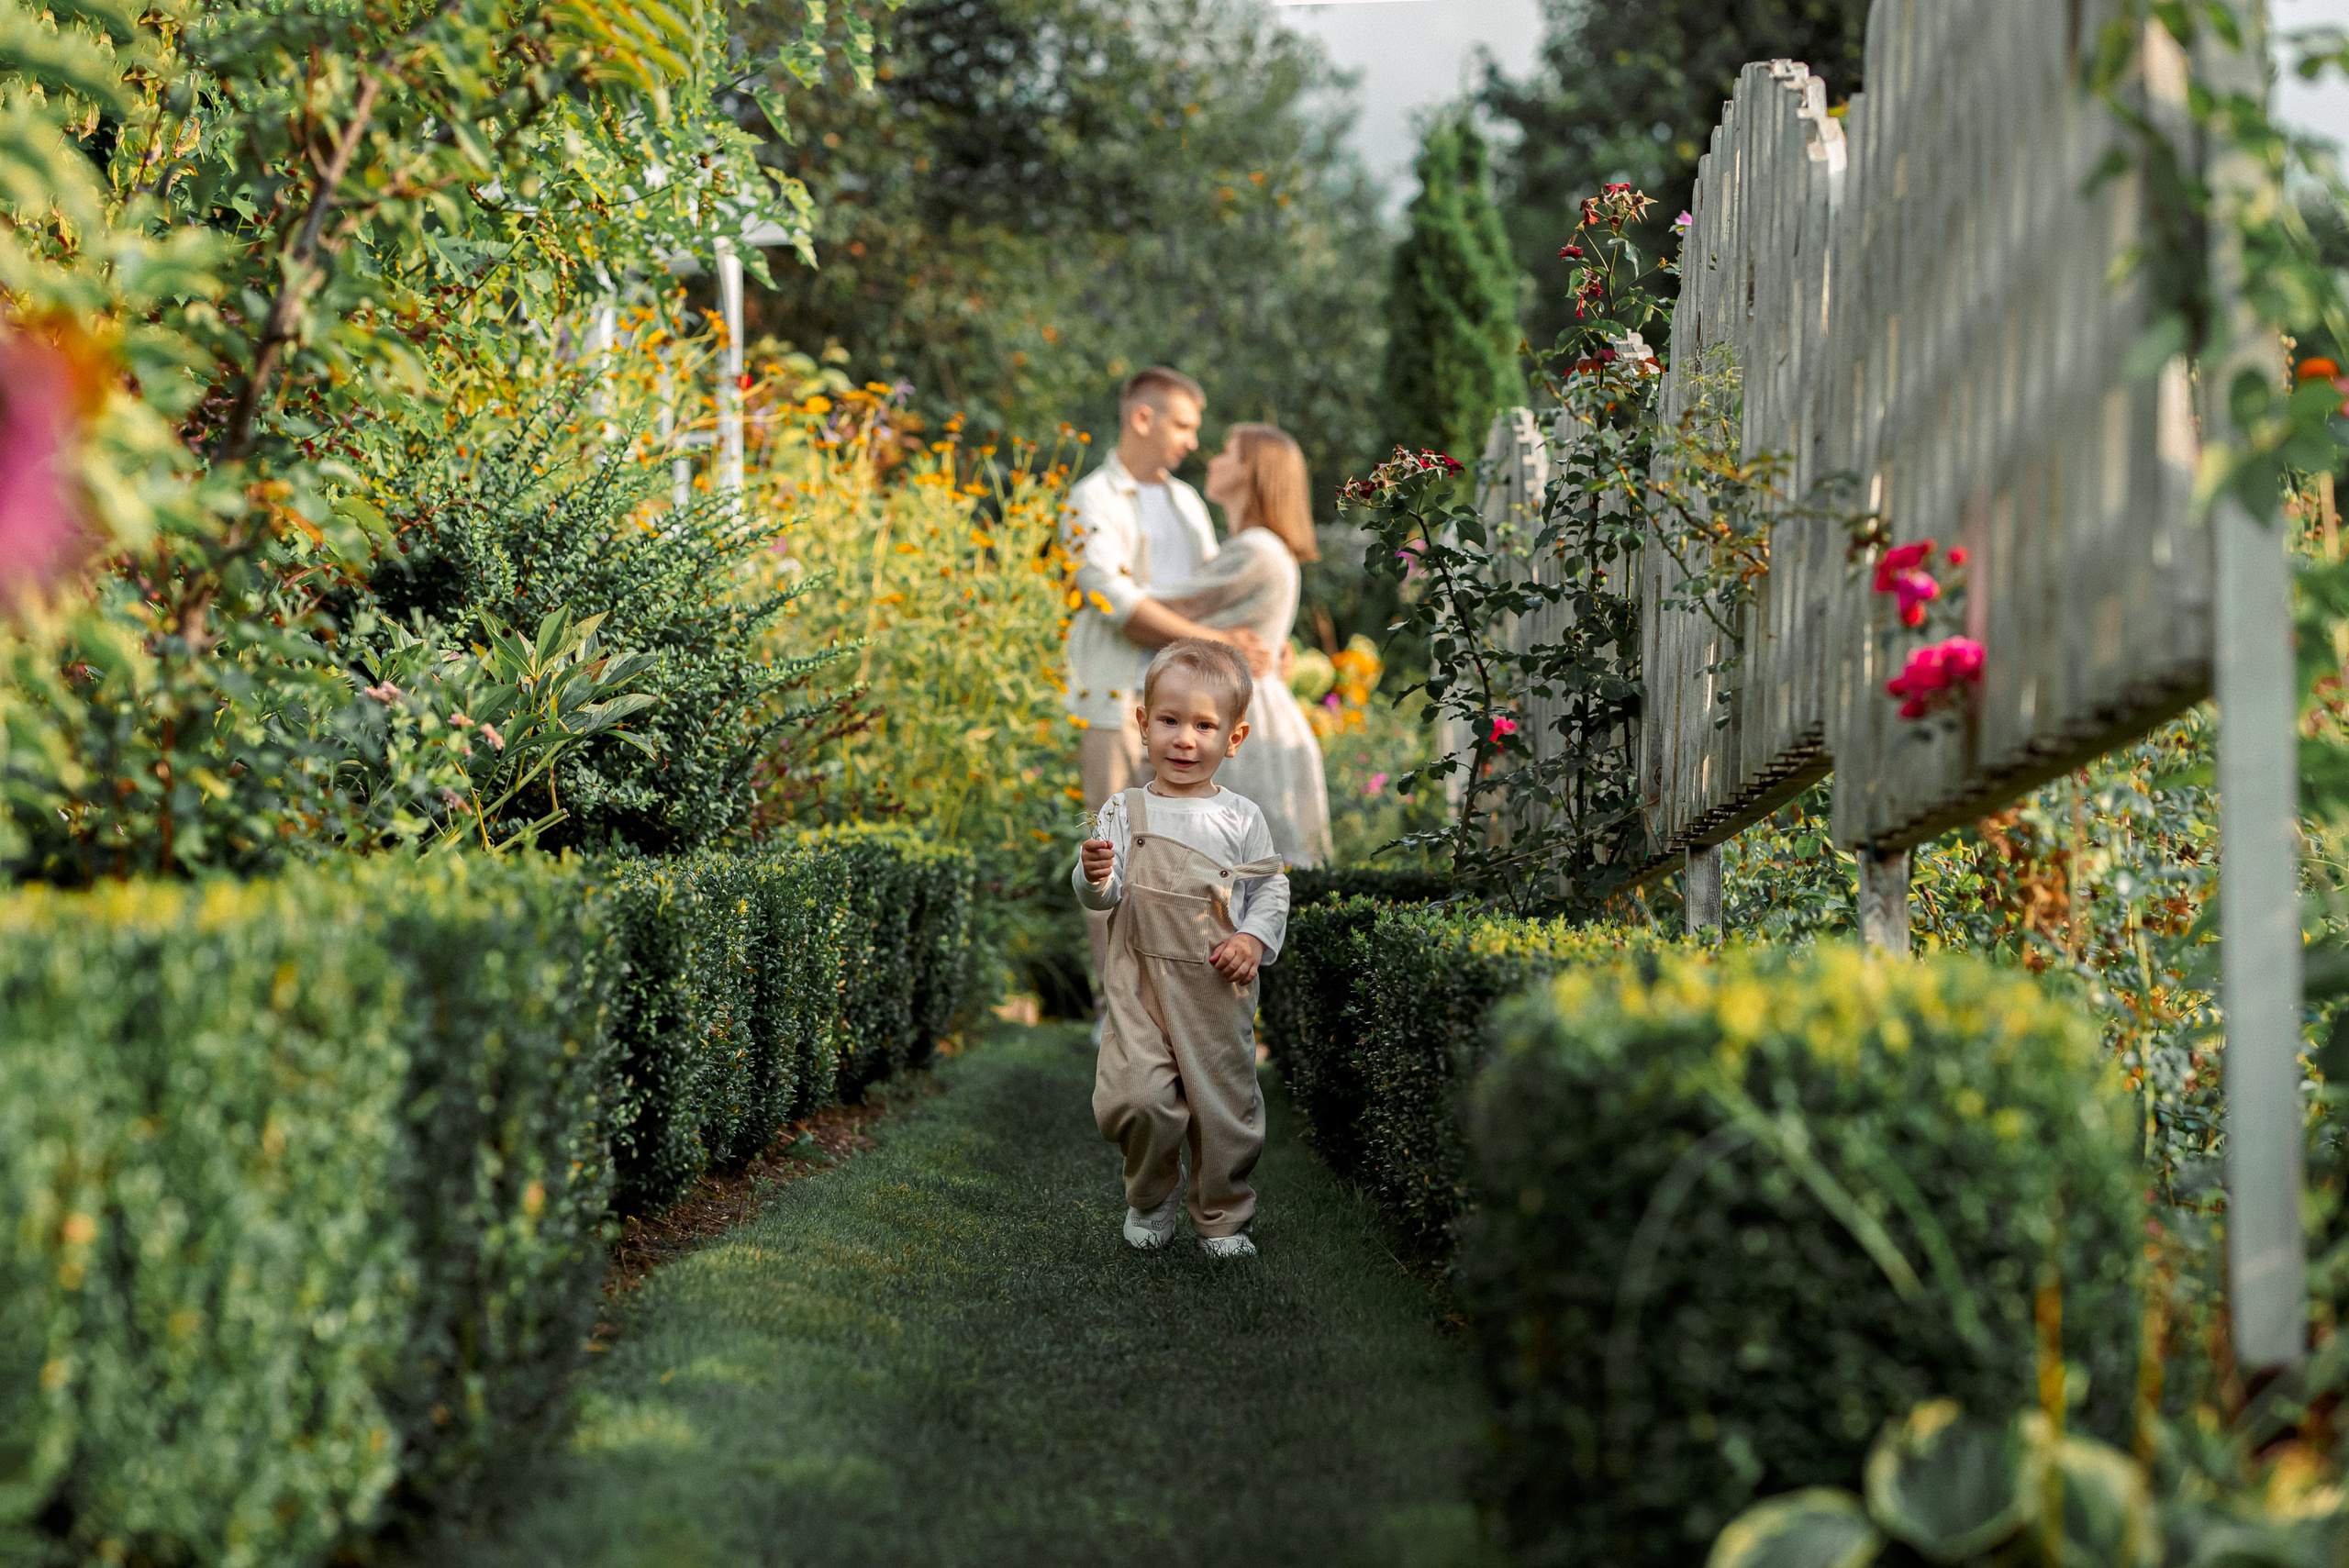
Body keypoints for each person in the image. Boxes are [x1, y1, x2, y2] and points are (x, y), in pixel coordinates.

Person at [1075, 639, 1289, 1258]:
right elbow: (1104, 896)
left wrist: (1252, 937)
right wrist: (1093, 877)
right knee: (1135, 1097)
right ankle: (1152, 1191)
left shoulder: (1242, 819)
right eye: (1169, 720)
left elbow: (1269, 889)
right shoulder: (1125, 809)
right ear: (1143, 724)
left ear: (1235, 736)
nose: (1185, 739)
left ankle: (1221, 1213)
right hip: (1139, 982)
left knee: (1223, 1108)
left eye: (1204, 724)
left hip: (1212, 990)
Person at [1061, 366, 1270, 811]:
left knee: (1181, 845)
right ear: (1141, 419)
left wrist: (1267, 642)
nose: (1192, 442)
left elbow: (1217, 594)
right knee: (1113, 847)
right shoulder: (1090, 499)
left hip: (1187, 710)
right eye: (1182, 426)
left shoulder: (1188, 502)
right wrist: (1218, 643)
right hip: (1116, 704)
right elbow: (1114, 603)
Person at [1157, 424, 1334, 867]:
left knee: (1234, 873)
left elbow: (1163, 607)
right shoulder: (1261, 549)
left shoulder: (1256, 549)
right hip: (1259, 709)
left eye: (1227, 452)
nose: (1213, 460)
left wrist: (1103, 585)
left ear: (1252, 471)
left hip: (1248, 717)